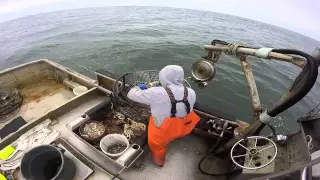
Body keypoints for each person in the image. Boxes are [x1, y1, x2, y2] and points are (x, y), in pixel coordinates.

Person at [127, 65, 200, 167]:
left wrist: (139, 87)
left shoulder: (156, 92)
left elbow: (130, 94)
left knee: (157, 146)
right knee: (174, 127)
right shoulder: (191, 92)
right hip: (184, 128)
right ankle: (173, 138)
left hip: (163, 132)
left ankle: (159, 162)